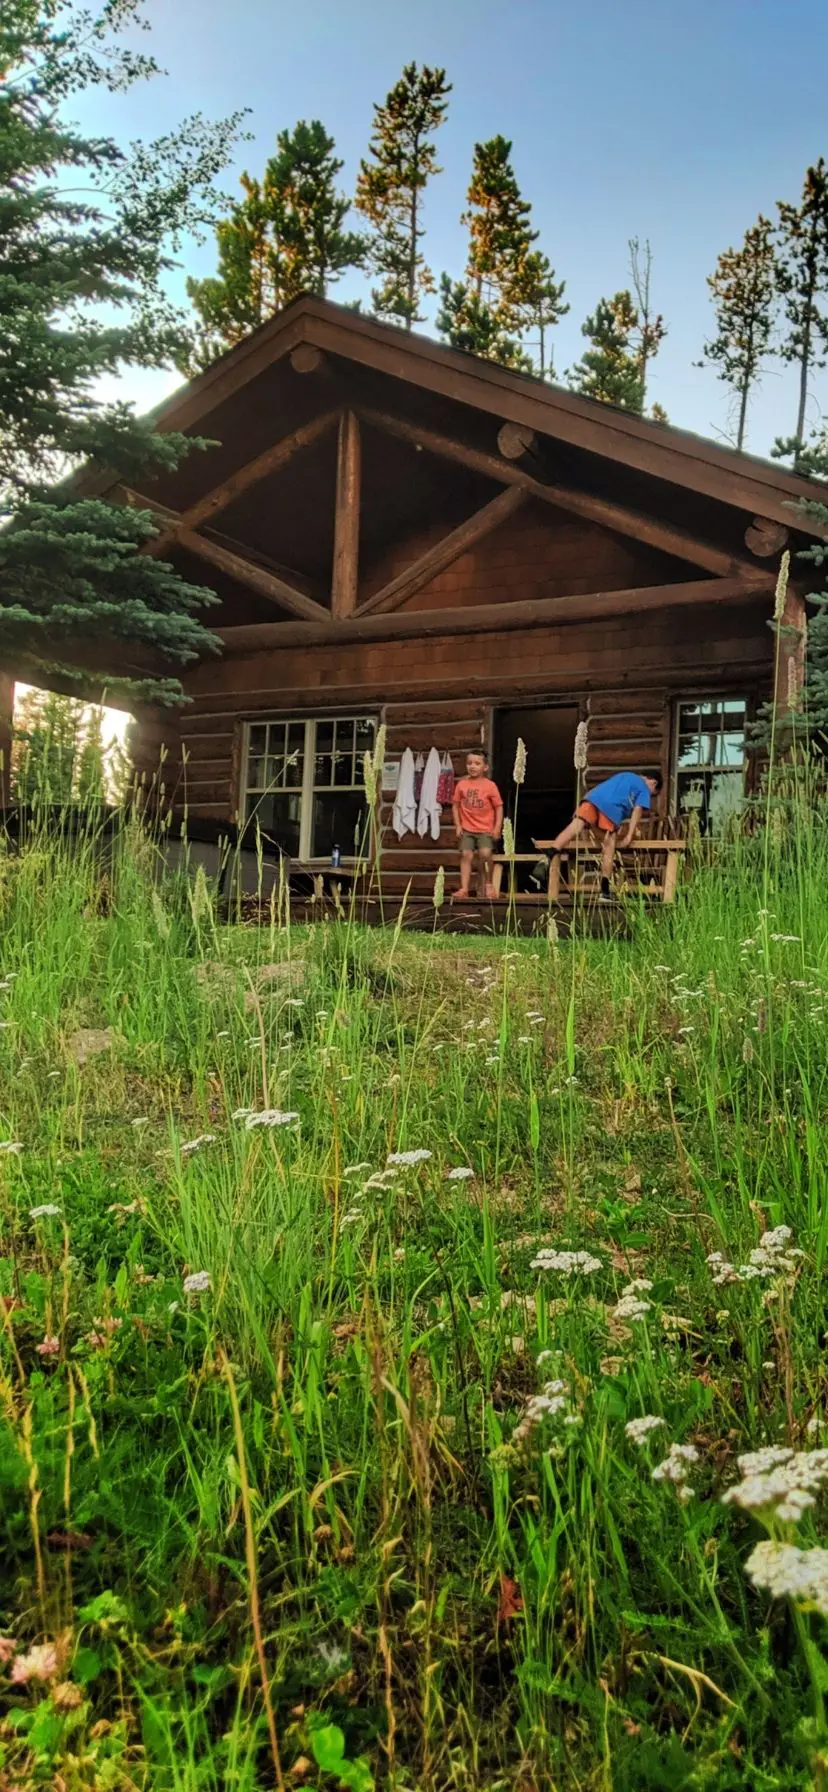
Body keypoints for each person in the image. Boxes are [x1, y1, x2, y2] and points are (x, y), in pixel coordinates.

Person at [530, 770, 663, 898]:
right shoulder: (644, 787)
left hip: (591, 799)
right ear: (653, 783)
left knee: (575, 827)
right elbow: (638, 810)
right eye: (653, 794)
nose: (649, 796)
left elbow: (602, 788)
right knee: (609, 845)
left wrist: (583, 807)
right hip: (612, 808)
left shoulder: (625, 775)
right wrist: (629, 836)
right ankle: (604, 891)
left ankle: (545, 859)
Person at [451, 751, 504, 900]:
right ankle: (464, 889)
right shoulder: (461, 784)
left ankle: (487, 884)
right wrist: (458, 825)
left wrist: (497, 827)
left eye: (477, 763)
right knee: (466, 855)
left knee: (486, 854)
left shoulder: (490, 786)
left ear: (485, 767)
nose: (472, 766)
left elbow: (498, 807)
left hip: (485, 829)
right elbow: (455, 805)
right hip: (467, 829)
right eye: (469, 763)